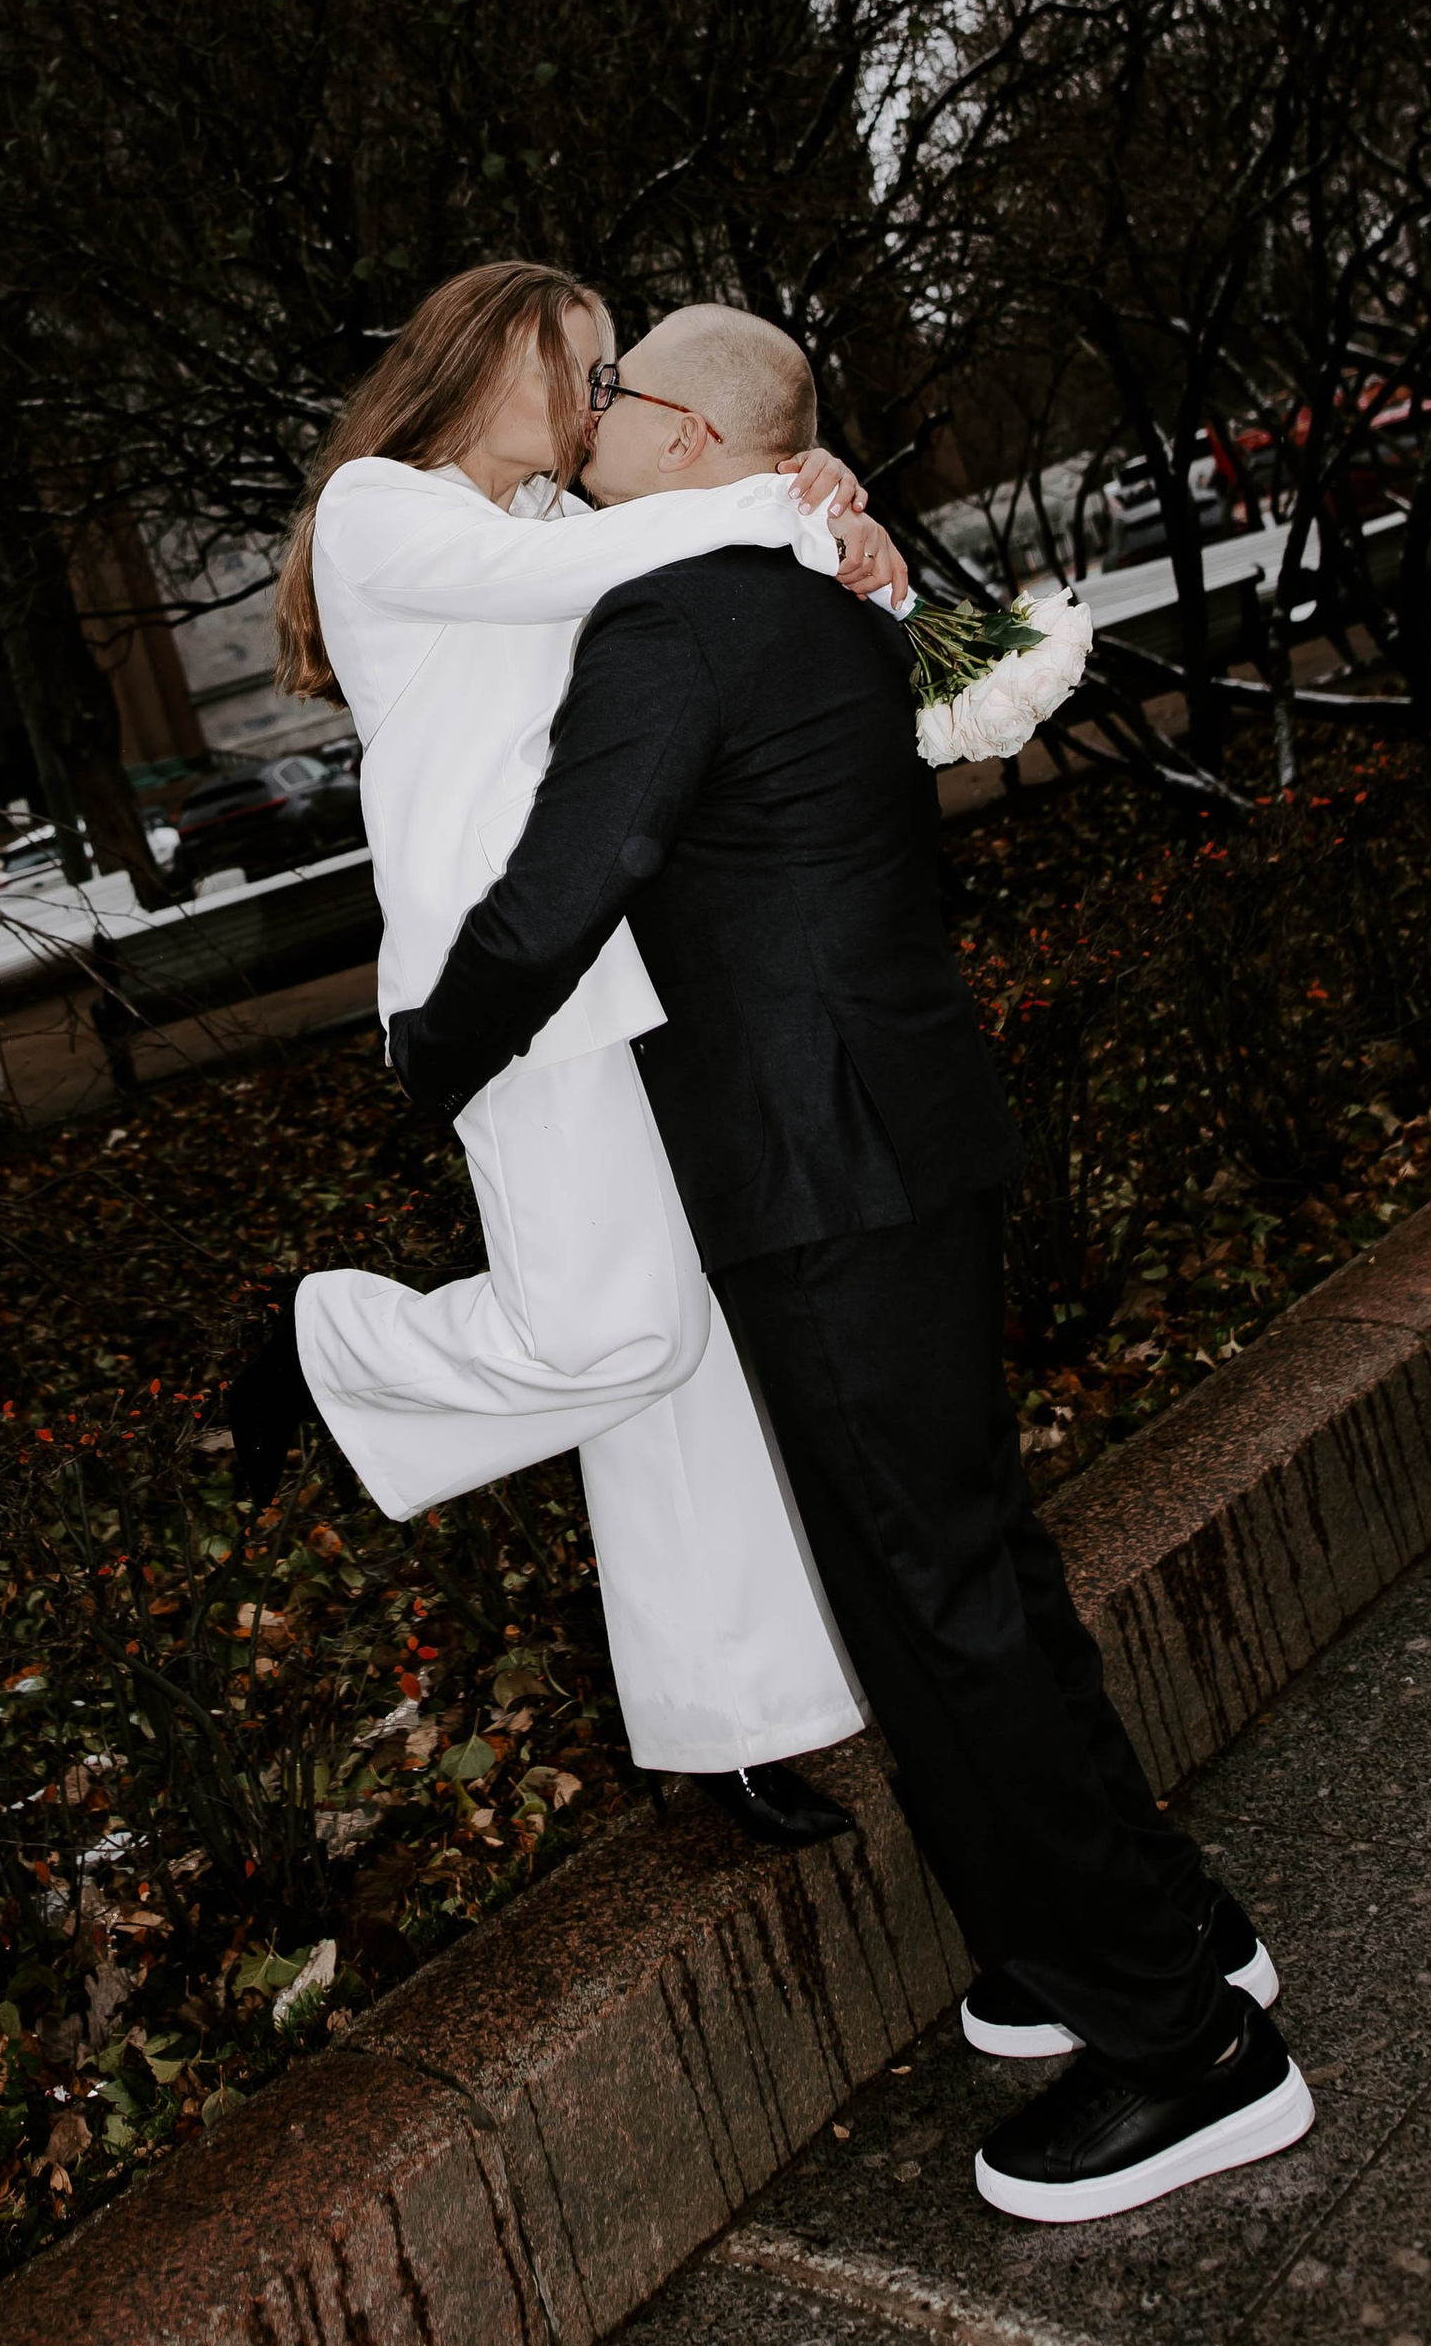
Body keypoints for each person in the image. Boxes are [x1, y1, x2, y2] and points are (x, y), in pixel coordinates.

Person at [385, 300, 1312, 2227]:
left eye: (623, 388)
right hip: (906, 1132)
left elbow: (566, 887)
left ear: (687, 440)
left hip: (818, 1173)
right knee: (985, 1574)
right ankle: (1153, 1930)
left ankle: (1187, 2053)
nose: (595, 407)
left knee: (934, 1613)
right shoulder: (816, 595)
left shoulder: (676, 619)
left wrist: (426, 1066)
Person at [223, 259, 904, 1839]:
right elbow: (620, 556)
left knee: (683, 1355)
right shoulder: (382, 513)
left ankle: (732, 1728)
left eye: (610, 374)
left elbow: (685, 548)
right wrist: (782, 500)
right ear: (478, 361)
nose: (598, 402)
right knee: (617, 1337)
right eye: (577, 367)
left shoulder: (544, 518)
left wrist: (824, 503)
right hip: (496, 982)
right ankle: (328, 1346)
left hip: (619, 975)